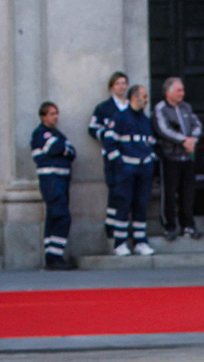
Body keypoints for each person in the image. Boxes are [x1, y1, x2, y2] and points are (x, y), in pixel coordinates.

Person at [103, 85, 156, 256]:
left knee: (141, 205)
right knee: (123, 205)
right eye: (144, 97)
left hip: (143, 169)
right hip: (126, 170)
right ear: (134, 97)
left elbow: (150, 142)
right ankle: (120, 243)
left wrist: (150, 160)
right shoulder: (120, 117)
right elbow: (109, 143)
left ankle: (140, 241)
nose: (147, 100)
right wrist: (120, 166)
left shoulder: (145, 119)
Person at [153, 77, 203, 241]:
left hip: (187, 157)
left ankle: (187, 224)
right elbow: (163, 129)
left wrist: (193, 139)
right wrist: (183, 140)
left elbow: (197, 124)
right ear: (168, 92)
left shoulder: (186, 107)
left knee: (187, 192)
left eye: (182, 90)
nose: (182, 93)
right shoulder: (160, 108)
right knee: (169, 192)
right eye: (178, 90)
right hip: (170, 156)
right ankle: (169, 226)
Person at [30, 102, 76, 270]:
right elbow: (56, 148)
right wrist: (63, 149)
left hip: (61, 181)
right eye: (51, 113)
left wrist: (63, 149)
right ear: (43, 116)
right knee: (62, 216)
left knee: (54, 216)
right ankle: (55, 257)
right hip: (51, 181)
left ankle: (52, 256)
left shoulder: (58, 134)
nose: (55, 116)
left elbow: (72, 152)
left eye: (56, 113)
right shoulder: (40, 134)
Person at [88, 72, 128, 241]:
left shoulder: (131, 106)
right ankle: (111, 225)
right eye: (118, 83)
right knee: (115, 189)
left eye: (124, 83)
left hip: (129, 153)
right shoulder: (104, 108)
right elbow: (92, 128)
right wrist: (107, 135)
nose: (122, 86)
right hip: (112, 155)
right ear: (112, 87)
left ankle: (124, 224)